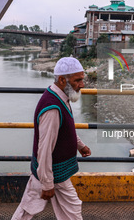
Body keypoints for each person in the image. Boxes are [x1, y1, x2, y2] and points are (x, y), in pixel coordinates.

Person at [12, 57, 91, 220]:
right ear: (62, 80)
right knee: (70, 209)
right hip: (53, 172)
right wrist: (47, 183)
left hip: (51, 171)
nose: (82, 84)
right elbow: (45, 148)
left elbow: (65, 130)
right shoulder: (53, 108)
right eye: (78, 80)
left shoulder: (61, 97)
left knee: (29, 208)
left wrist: (80, 145)